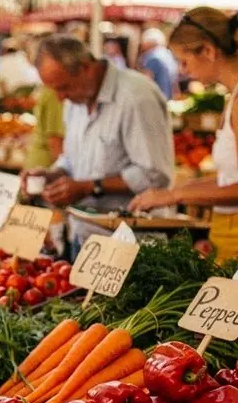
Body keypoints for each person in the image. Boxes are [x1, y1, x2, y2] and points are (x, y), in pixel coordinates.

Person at [31, 35, 174, 245]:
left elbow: (155, 175)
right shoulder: (75, 102)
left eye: (63, 87)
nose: (60, 98)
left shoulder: (136, 97)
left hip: (131, 241)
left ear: (86, 67)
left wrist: (90, 187)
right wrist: (53, 174)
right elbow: (72, 158)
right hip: (83, 233)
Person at [130, 8, 238, 259]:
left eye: (184, 61)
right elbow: (229, 180)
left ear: (208, 51)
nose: (182, 70)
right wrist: (179, 190)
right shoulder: (231, 98)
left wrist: (174, 194)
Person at [25, 82, 64, 171]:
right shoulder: (54, 94)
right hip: (45, 167)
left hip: (39, 165)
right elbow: (55, 141)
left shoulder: (48, 92)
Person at [138, 26, 180, 102]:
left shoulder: (151, 56)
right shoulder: (168, 54)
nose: (142, 45)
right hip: (169, 98)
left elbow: (146, 81)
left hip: (157, 99)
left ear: (148, 42)